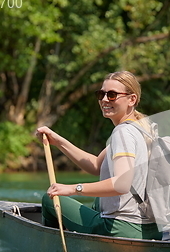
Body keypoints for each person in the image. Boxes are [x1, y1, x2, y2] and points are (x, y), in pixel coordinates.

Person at [36, 71, 162, 240]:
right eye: (101, 94)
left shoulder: (122, 133)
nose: (104, 100)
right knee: (97, 201)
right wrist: (58, 141)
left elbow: (122, 184)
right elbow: (95, 165)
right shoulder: (143, 130)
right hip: (152, 230)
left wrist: (73, 189)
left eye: (112, 95)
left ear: (132, 99)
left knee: (49, 199)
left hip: (120, 228)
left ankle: (51, 251)